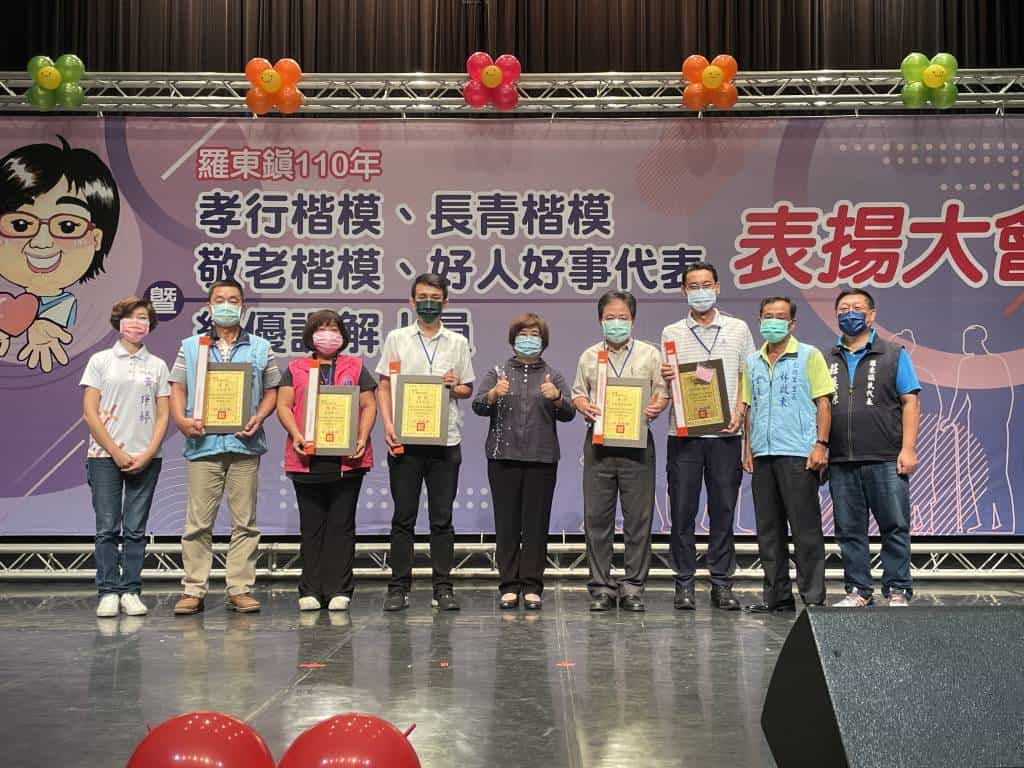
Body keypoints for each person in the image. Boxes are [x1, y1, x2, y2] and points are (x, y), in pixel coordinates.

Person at [168, 279, 281, 615]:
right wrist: (181, 420)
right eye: (220, 299)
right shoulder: (191, 346)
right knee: (198, 523)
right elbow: (177, 387)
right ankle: (193, 589)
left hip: (245, 444)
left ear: (243, 305)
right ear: (209, 306)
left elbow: (272, 391)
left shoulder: (261, 347)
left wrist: (259, 416)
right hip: (203, 443)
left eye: (233, 299)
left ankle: (239, 588)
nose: (227, 305)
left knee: (245, 522)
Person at [376, 273, 475, 612]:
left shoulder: (457, 342)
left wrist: (454, 385)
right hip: (405, 440)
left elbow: (466, 389)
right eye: (422, 297)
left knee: (441, 518)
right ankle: (398, 588)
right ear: (411, 301)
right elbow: (384, 385)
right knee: (403, 517)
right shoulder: (397, 339)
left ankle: (442, 588)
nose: (428, 303)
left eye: (435, 298)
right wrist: (388, 425)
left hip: (445, 441)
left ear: (445, 302)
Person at [660, 261, 755, 611]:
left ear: (717, 287)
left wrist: (740, 412)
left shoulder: (738, 329)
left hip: (726, 435)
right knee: (682, 512)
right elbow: (668, 383)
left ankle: (721, 584)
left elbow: (748, 375)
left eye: (706, 285)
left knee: (723, 512)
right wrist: (666, 377)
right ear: (684, 291)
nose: (700, 291)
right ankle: (684, 584)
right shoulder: (671, 332)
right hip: (684, 434)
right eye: (693, 286)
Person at [571, 290, 669, 612]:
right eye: (610, 318)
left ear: (633, 320)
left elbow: (662, 393)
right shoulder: (588, 356)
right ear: (600, 320)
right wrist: (583, 405)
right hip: (599, 446)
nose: (616, 323)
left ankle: (632, 588)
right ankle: (601, 587)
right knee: (597, 519)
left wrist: (657, 406)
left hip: (637, 445)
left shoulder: (650, 355)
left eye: (622, 318)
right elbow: (578, 394)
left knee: (638, 519)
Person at [472, 313, 575, 610]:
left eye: (534, 335)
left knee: (536, 525)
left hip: (542, 459)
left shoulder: (553, 375)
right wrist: (493, 393)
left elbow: (569, 413)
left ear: (543, 341)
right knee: (506, 523)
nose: (528, 339)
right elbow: (478, 405)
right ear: (513, 338)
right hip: (502, 458)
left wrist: (557, 398)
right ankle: (508, 585)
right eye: (523, 334)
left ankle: (532, 585)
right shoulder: (497, 372)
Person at [276, 310, 378, 612]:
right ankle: (310, 589)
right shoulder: (294, 368)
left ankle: (339, 590)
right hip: (306, 459)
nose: (327, 335)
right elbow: (284, 405)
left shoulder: (355, 367)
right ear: (310, 335)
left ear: (342, 336)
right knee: (311, 528)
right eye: (321, 329)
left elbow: (369, 405)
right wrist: (296, 434)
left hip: (347, 460)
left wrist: (362, 437)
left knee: (341, 527)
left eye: (334, 329)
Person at [828, 289, 921, 607]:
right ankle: (858, 590)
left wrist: (908, 449)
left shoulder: (893, 353)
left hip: (885, 457)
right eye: (843, 309)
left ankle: (898, 588)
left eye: (857, 308)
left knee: (894, 525)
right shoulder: (827, 358)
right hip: (841, 458)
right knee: (848, 529)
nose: (849, 313)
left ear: (871, 315)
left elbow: (910, 402)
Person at [741, 297, 833, 613]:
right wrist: (748, 448)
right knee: (769, 531)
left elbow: (823, 402)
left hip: (798, 453)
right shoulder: (752, 361)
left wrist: (821, 444)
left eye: (780, 317)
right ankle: (777, 597)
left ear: (792, 323)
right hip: (763, 454)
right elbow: (749, 408)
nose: (773, 322)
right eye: (768, 316)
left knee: (805, 529)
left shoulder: (809, 355)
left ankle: (813, 597)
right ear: (759, 320)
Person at [80, 297, 169, 618]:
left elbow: (163, 415)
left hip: (146, 457)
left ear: (150, 325)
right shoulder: (101, 361)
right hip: (104, 456)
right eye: (130, 317)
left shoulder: (157, 365)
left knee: (135, 529)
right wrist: (116, 452)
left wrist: (148, 453)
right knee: (107, 526)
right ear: (119, 322)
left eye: (143, 317)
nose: (136, 323)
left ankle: (131, 590)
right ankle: (107, 591)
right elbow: (90, 413)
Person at [0, 136, 120, 372]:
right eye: (20, 225)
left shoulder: (66, 307)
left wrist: (43, 328)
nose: (41, 243)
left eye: (67, 227)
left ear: (96, 238)